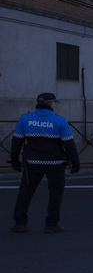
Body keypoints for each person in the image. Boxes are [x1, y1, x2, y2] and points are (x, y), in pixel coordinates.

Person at [10, 92, 80, 234]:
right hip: (56, 163)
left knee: (25, 192)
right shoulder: (60, 121)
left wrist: (14, 160)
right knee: (55, 194)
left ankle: (20, 223)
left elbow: (16, 142)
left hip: (32, 163)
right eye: (54, 103)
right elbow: (69, 145)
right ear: (51, 104)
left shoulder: (25, 119)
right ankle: (51, 224)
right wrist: (75, 163)